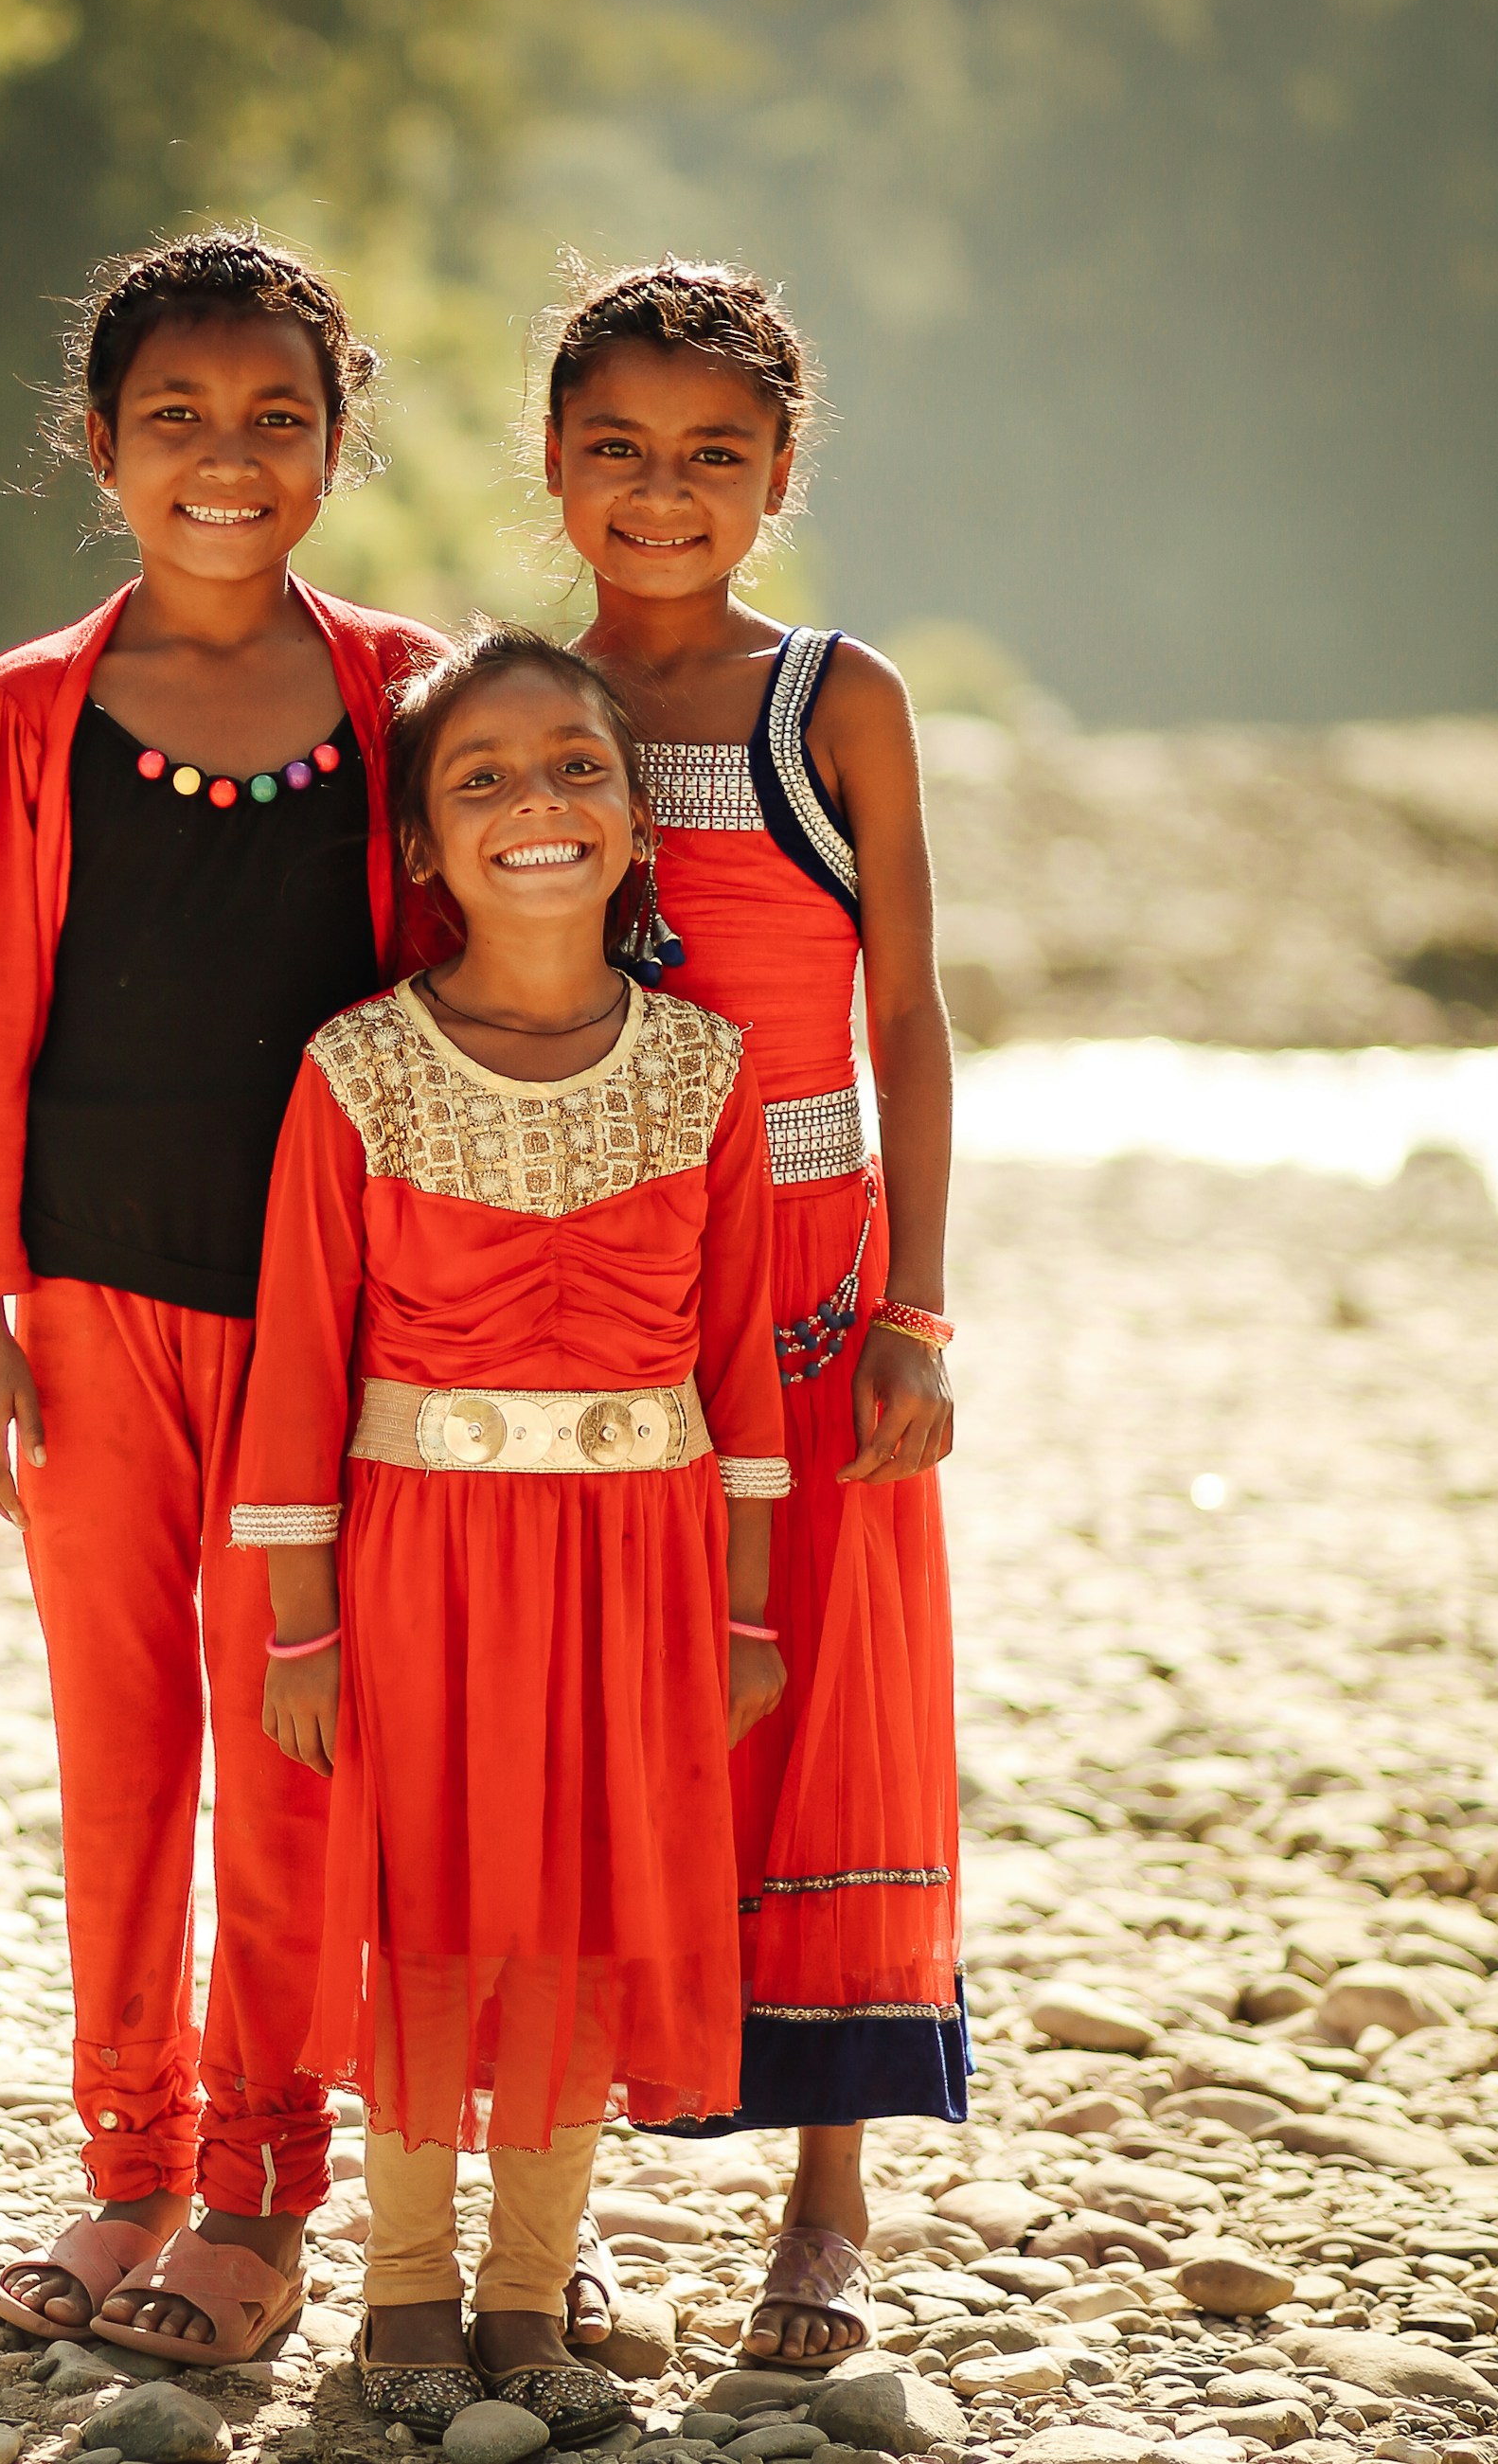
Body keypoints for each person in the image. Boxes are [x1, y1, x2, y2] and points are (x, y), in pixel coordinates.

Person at [0, 230, 446, 2365]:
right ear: (101, 446)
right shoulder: (32, 711)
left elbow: (480, 988)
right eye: (177, 421)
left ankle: (261, 2182)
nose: (226, 459)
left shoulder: (408, 690)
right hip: (89, 1305)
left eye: (275, 420)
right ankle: (129, 2159)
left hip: (334, 1330)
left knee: (295, 1738)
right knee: (124, 1742)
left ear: (336, 443)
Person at [232, 628, 791, 2441]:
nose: (535, 804)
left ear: (637, 820)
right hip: (415, 1560)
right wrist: (301, 1626)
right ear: (417, 844)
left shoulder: (708, 1071)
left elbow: (740, 1368)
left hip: (636, 1569)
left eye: (576, 769)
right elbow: (302, 1358)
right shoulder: (359, 1070)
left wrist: (749, 1610)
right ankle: (403, 2290)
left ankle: (533, 2290)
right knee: (426, 1911)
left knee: (571, 1912)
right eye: (481, 777)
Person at [544, 259, 967, 2369]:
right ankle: (561, 2194)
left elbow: (906, 1012)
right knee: (582, 1710)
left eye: (714, 455)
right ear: (553, 467)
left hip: (808, 1282)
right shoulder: (519, 703)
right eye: (616, 450)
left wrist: (922, 1309)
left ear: (782, 475)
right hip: (594, 1279)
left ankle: (829, 2202)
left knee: (819, 1698)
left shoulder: (837, 703)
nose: (662, 492)